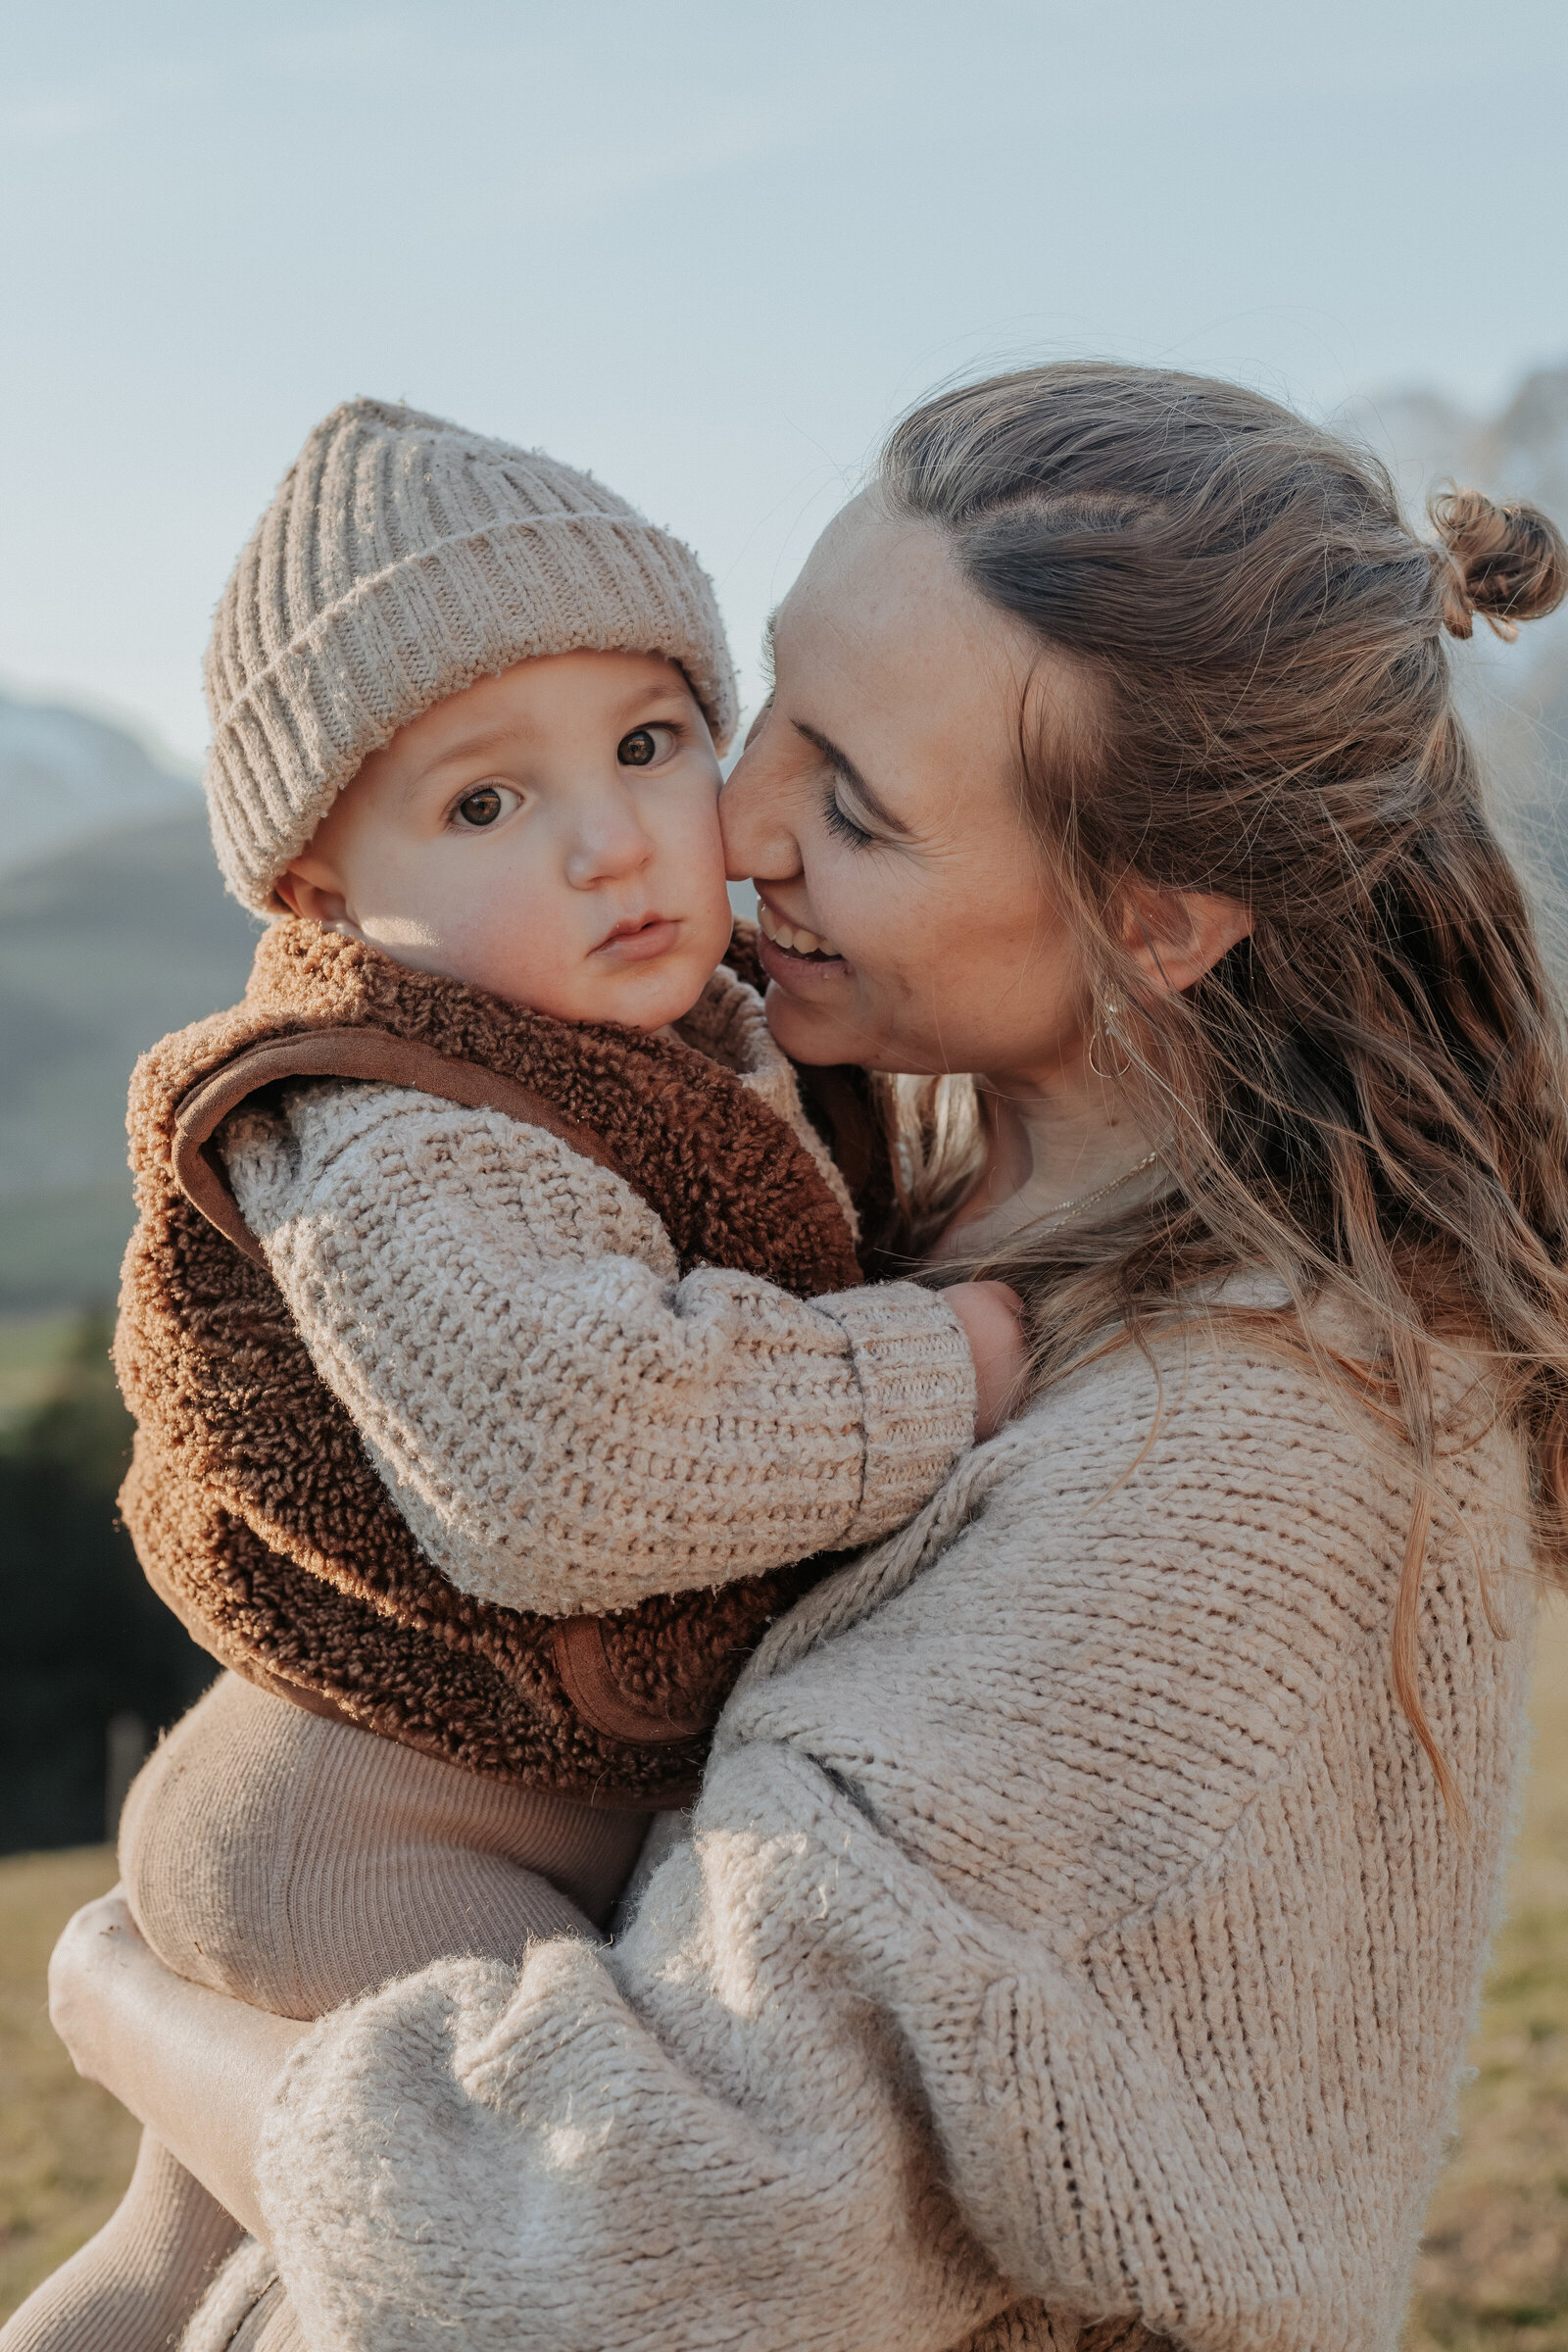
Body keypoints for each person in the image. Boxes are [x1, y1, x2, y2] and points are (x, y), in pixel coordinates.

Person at [44, 362, 1568, 2352]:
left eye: (846, 797)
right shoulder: (910, 1183)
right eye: (759, 709)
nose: (729, 823)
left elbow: (611, 2255)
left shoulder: (1220, 1462)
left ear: (1154, 920)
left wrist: (131, 2018)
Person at [2, 400, 1021, 2352]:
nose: (606, 837)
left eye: (647, 746)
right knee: (512, 2236)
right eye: (482, 805)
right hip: (372, 1833)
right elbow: (573, 1468)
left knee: (169, 2271)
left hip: (399, 1796)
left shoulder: (680, 1041)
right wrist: (932, 1369)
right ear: (313, 891)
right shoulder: (400, 1131)